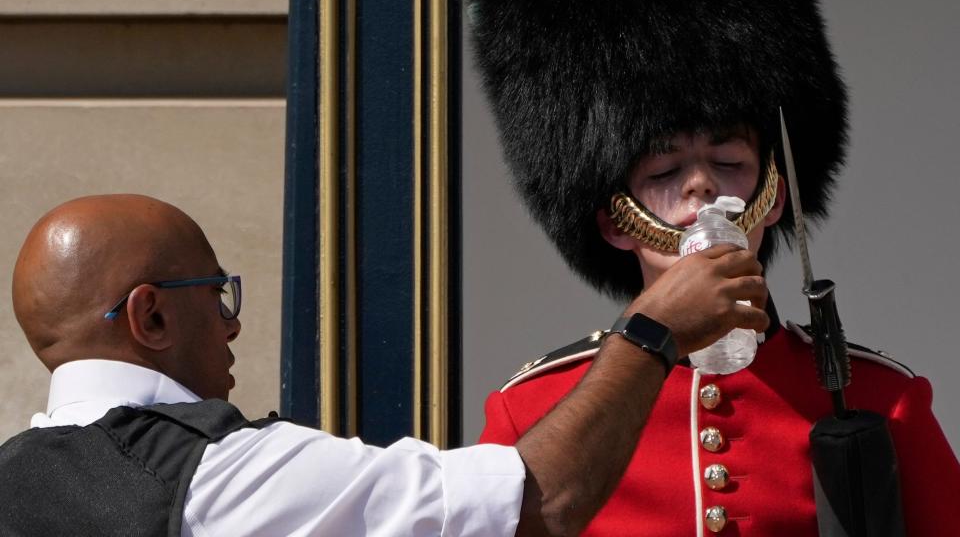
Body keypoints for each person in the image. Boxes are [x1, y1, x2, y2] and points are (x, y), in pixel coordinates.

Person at [468, 0, 960, 536]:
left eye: (729, 162)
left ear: (774, 195)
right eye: (665, 171)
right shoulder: (534, 410)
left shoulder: (886, 400)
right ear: (615, 220)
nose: (703, 189)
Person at [0, 193, 765, 536]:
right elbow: (538, 503)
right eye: (217, 296)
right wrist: (651, 331)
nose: (232, 328)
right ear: (152, 315)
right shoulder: (223, 478)